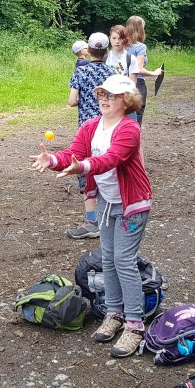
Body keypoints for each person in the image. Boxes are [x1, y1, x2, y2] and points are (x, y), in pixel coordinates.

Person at [31, 74, 152, 359]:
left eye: (111, 95)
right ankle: (114, 313)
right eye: (101, 94)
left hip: (132, 204)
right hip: (107, 202)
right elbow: (73, 154)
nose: (104, 99)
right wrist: (52, 160)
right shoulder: (90, 126)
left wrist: (82, 167)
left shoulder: (129, 129)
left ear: (126, 100)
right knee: (108, 259)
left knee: (123, 261)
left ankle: (135, 325)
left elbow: (110, 159)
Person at [66, 32, 114, 239]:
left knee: (87, 173)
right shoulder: (111, 72)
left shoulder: (81, 71)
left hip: (86, 129)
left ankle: (92, 221)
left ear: (89, 50)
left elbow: (71, 101)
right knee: (107, 169)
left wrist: (85, 100)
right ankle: (109, 218)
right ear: (106, 51)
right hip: (108, 126)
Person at [124, 15, 163, 129]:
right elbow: (139, 69)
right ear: (140, 29)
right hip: (137, 83)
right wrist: (155, 73)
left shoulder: (120, 44)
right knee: (137, 115)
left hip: (121, 82)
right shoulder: (140, 47)